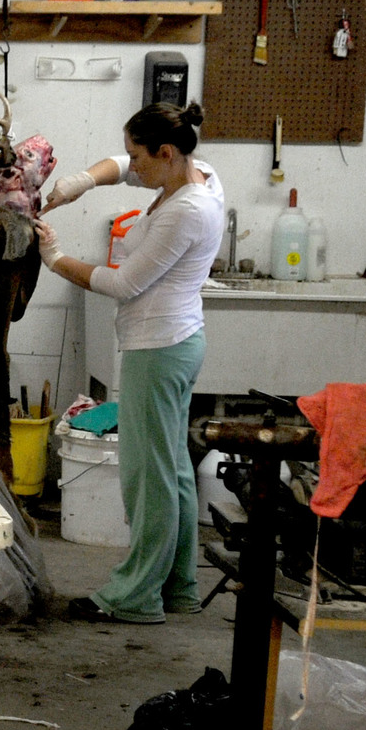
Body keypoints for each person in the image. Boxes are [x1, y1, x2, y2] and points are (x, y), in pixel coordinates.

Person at [34, 101, 225, 624]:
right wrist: (82, 182)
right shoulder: (199, 173)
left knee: (149, 478)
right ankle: (178, 587)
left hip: (157, 350)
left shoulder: (188, 211)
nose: (132, 167)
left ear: (167, 152)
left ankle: (136, 595)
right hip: (177, 341)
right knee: (175, 471)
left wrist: (56, 259)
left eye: (141, 157)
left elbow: (123, 283)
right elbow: (118, 166)